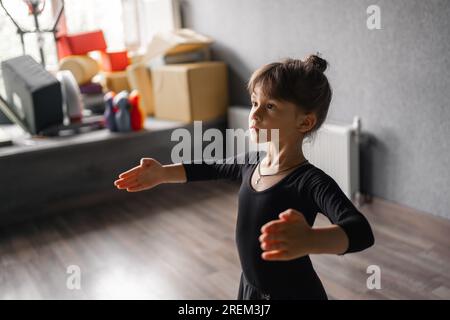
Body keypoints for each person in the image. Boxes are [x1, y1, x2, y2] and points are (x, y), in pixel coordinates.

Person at [114, 54, 375, 300]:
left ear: (305, 123)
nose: (255, 113)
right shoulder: (253, 161)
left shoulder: (310, 182)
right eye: (254, 102)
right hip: (251, 288)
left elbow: (361, 231)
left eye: (270, 106)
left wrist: (311, 239)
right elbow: (212, 167)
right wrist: (162, 173)